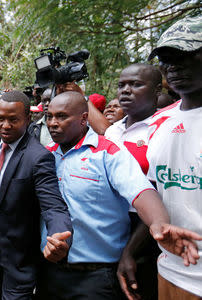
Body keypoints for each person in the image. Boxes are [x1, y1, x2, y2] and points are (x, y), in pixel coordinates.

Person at [36, 91, 201, 300]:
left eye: (61, 116)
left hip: (96, 278)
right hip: (50, 273)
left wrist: (159, 223)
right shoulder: (45, 155)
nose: (52, 123)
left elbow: (141, 192)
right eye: (49, 116)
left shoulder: (109, 153)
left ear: (83, 119)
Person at [0, 91, 72, 300]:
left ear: (28, 118)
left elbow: (53, 206)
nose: (5, 125)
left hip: (18, 252)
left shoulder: (38, 157)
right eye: (0, 119)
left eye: (13, 120)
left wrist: (60, 233)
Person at [144, 15, 202, 300]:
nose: (173, 66)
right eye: (166, 58)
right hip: (169, 271)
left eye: (184, 56)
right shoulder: (160, 123)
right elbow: (156, 190)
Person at [102, 63, 162, 300]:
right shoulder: (112, 132)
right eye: (121, 85)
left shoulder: (162, 129)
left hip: (146, 229)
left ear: (157, 90)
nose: (125, 90)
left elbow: (159, 196)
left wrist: (131, 250)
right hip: (114, 225)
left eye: (136, 84)